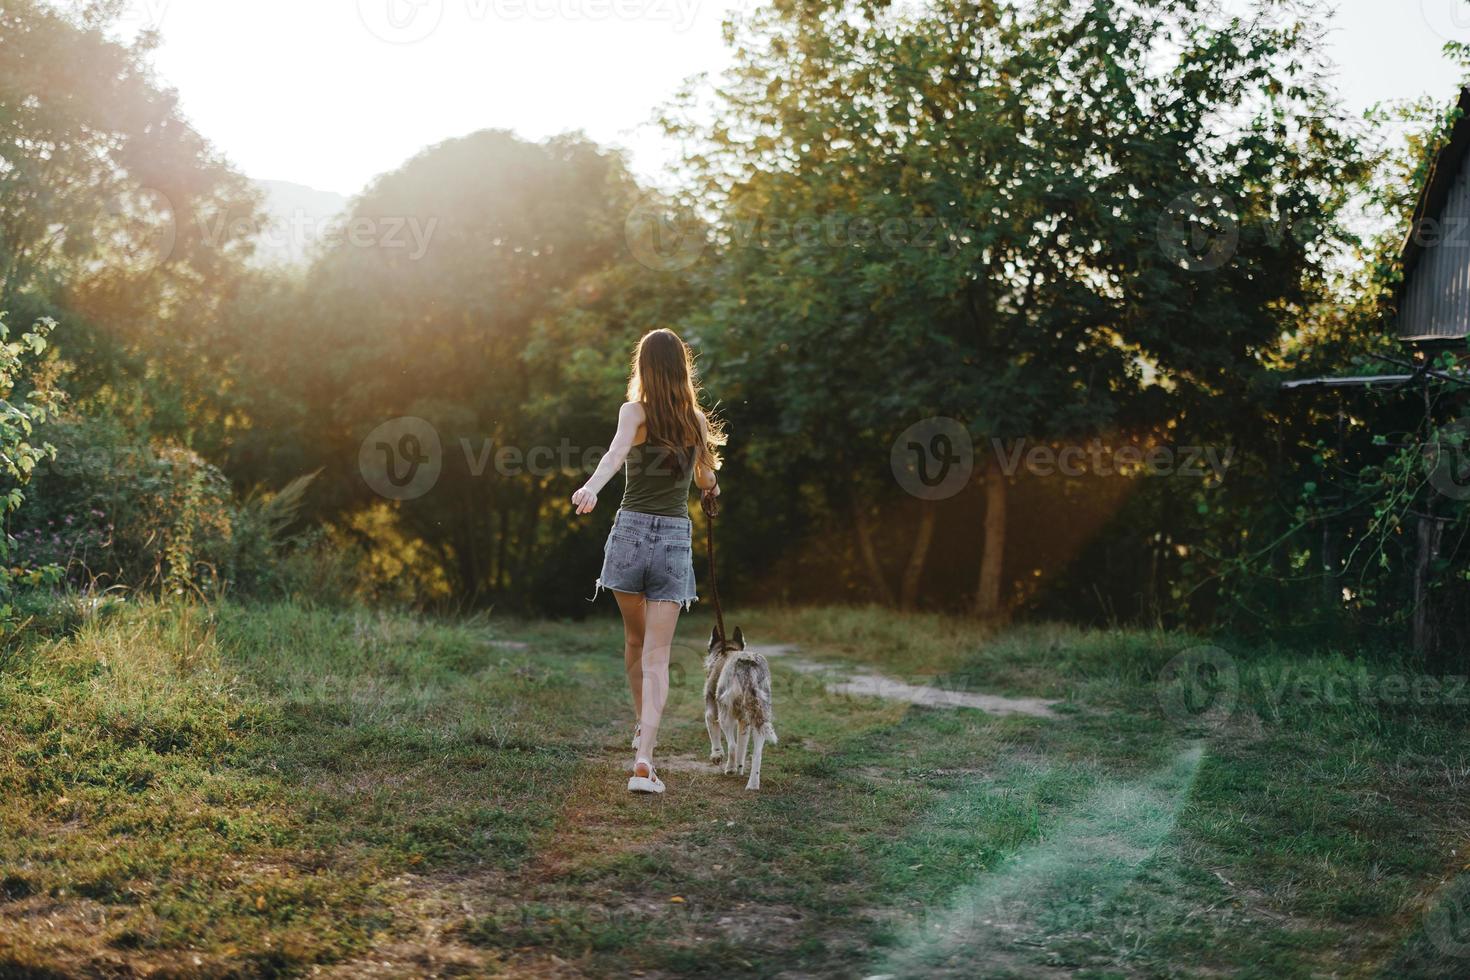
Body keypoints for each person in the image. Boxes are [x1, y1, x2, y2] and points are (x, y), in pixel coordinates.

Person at [572, 328, 724, 794]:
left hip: (631, 535)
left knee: (635, 642)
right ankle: (644, 758)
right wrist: (712, 486)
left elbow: (616, 453)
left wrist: (591, 489)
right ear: (682, 368)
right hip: (674, 541)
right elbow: (704, 479)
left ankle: (642, 730)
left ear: (644, 367)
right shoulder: (695, 421)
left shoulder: (633, 413)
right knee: (657, 656)